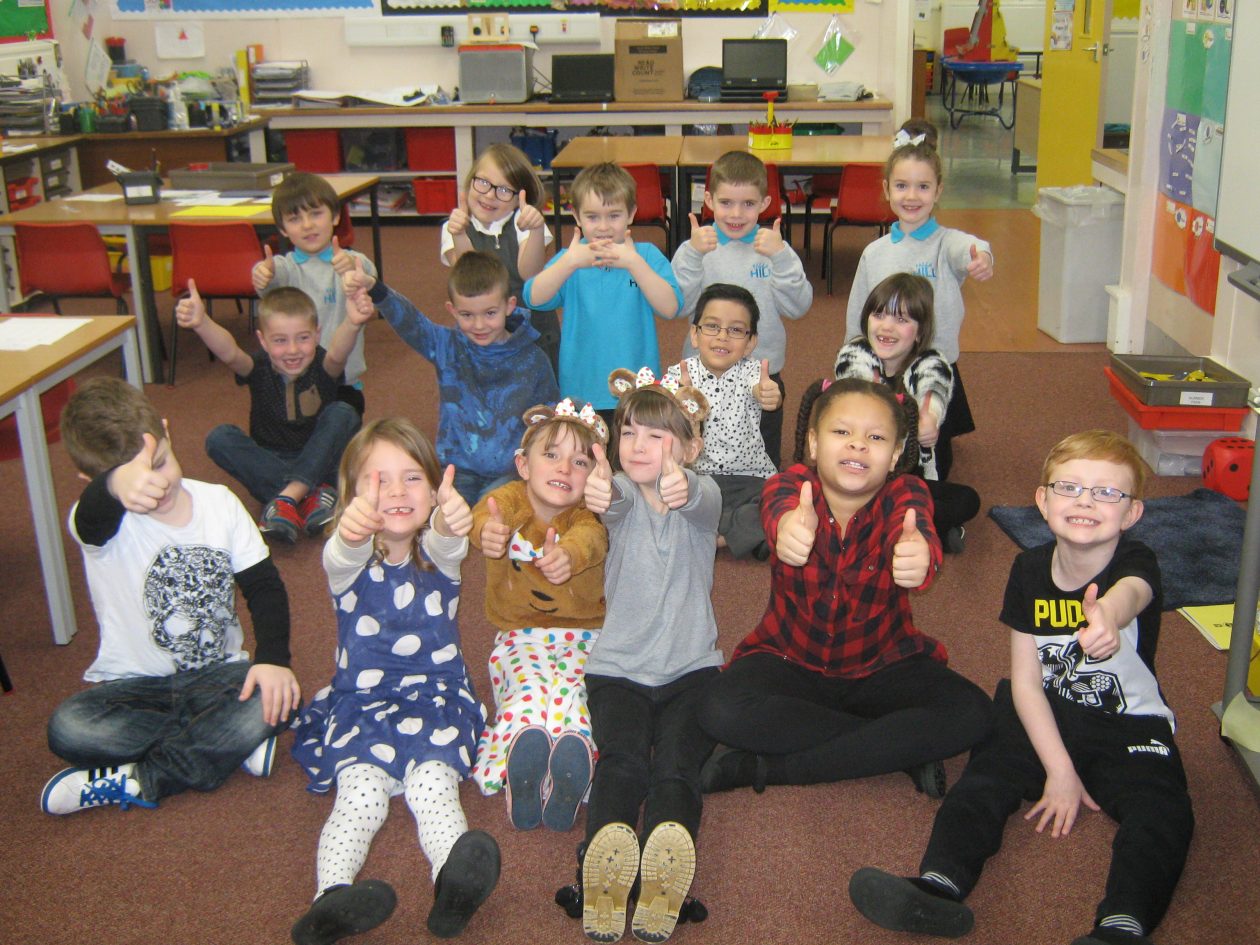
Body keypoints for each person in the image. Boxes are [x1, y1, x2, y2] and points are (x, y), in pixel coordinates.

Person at [849, 430, 1194, 945]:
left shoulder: (1136, 562)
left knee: (1162, 812)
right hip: (1043, 711)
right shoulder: (1028, 569)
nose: (1085, 502)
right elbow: (1027, 683)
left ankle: (1122, 925)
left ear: (1132, 513)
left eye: (1107, 492)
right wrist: (1059, 770)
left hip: (1127, 723)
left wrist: (1107, 616)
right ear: (1043, 501)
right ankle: (937, 886)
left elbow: (1131, 594)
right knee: (982, 782)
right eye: (1069, 487)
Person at [697, 378, 992, 797]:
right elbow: (779, 509)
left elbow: (917, 527)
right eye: (842, 432)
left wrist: (920, 554)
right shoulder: (791, 484)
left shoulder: (906, 492)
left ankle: (768, 768)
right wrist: (786, 528)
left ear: (895, 455)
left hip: (884, 663)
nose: (857, 444)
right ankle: (895, 746)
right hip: (789, 659)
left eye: (876, 438)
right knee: (717, 708)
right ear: (814, 444)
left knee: (973, 713)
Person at [40, 378, 300, 816]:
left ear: (165, 430)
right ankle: (223, 745)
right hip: (133, 689)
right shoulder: (100, 524)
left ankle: (142, 779)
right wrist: (115, 485)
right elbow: (92, 515)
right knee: (68, 727)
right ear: (92, 481)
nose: (156, 487)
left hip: (219, 678)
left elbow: (264, 588)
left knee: (277, 695)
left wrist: (273, 659)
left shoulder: (220, 503)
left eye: (159, 463)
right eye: (136, 481)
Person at [290, 418, 500, 944]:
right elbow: (343, 550)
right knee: (358, 796)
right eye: (378, 481)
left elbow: (449, 539)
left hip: (437, 700)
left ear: (432, 489)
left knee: (436, 789)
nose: (397, 492)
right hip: (362, 704)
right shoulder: (347, 559)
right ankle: (330, 898)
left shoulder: (438, 554)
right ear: (351, 497)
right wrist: (351, 529)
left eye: (412, 478)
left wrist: (452, 518)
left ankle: (451, 888)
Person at [553, 367, 721, 944]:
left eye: (656, 434)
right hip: (617, 671)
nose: (638, 445)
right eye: (628, 433)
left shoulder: (704, 495)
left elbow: (693, 497)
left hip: (693, 671)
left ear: (690, 447)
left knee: (677, 769)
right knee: (621, 762)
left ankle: (664, 871)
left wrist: (682, 483)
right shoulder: (619, 493)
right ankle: (601, 871)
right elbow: (610, 500)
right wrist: (599, 490)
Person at [469, 400, 609, 831]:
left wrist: (568, 555)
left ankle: (570, 772)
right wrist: (486, 531)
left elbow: (590, 541)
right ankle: (522, 771)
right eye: (551, 455)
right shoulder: (509, 500)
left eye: (580, 462)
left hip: (583, 636)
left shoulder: (586, 516)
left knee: (574, 696)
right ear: (523, 465)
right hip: (520, 635)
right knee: (528, 693)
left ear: (593, 476)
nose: (564, 468)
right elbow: (485, 514)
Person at [344, 250, 559, 504]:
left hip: (511, 471)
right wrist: (375, 288)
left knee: (491, 511)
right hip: (456, 470)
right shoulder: (448, 346)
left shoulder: (533, 359)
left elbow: (550, 414)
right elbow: (412, 323)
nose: (479, 325)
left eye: (490, 313)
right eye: (467, 315)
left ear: (509, 306)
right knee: (444, 514)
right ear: (452, 310)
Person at [844, 125, 994, 479]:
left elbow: (972, 248)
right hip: (887, 366)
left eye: (923, 187)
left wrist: (983, 258)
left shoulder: (945, 243)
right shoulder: (875, 253)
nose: (912, 196)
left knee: (932, 451)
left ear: (938, 191)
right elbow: (857, 314)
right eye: (902, 186)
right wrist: (855, 360)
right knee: (885, 446)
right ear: (887, 190)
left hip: (932, 367)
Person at [176, 283, 366, 543]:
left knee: (344, 412)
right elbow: (230, 353)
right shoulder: (258, 368)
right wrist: (202, 323)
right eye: (280, 340)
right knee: (219, 438)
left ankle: (286, 498)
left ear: (317, 335)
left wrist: (353, 323)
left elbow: (338, 354)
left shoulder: (323, 365)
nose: (292, 350)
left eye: (303, 338)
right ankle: (311, 497)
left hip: (322, 459)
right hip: (270, 461)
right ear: (263, 340)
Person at [671, 150, 812, 467]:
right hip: (704, 372)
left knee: (763, 456)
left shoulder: (774, 248)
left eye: (748, 203)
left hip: (761, 375)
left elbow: (799, 307)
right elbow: (678, 307)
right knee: (698, 454)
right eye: (726, 202)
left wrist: (781, 257)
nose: (736, 214)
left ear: (765, 203)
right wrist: (692, 255)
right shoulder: (696, 247)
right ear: (709, 200)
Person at [522, 162, 683, 425]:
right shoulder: (572, 258)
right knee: (585, 449)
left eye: (614, 215)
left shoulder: (645, 255)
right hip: (582, 390)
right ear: (577, 217)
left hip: (636, 389)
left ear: (631, 213)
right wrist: (569, 262)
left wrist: (634, 263)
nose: (603, 226)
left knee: (635, 448)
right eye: (593, 217)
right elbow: (534, 298)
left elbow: (671, 308)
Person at [834, 272, 980, 552]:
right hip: (864, 469)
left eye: (901, 320)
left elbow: (933, 394)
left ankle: (886, 525)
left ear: (920, 332)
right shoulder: (854, 355)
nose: (887, 327)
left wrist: (929, 420)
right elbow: (866, 406)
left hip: (911, 475)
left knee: (967, 499)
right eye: (879, 315)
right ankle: (919, 528)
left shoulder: (932, 362)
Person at [664, 282, 782, 561]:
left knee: (784, 500)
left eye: (736, 330)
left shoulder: (753, 372)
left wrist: (769, 394)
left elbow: (764, 390)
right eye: (712, 326)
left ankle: (717, 536)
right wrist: (676, 398)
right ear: (694, 335)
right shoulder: (679, 375)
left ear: (750, 343)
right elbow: (657, 419)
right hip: (698, 479)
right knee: (664, 497)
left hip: (750, 479)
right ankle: (735, 531)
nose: (722, 337)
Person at [251, 171, 377, 398]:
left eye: (316, 214)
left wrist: (352, 269)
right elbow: (268, 279)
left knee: (344, 418)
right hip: (295, 382)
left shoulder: (351, 261)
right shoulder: (285, 268)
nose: (307, 225)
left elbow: (368, 276)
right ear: (282, 229)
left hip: (345, 382)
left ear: (335, 216)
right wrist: (262, 274)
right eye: (295, 219)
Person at [442, 142, 560, 373]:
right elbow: (469, 279)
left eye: (504, 190)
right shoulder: (453, 227)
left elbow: (531, 273)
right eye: (483, 182)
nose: (489, 195)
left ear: (519, 198)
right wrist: (459, 234)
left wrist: (536, 230)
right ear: (470, 181)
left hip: (534, 332)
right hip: (484, 333)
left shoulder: (523, 223)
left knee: (541, 391)